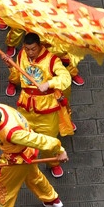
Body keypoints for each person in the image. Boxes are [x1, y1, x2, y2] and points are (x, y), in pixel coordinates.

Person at [10, 32, 73, 177]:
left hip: (47, 109)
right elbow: (18, 74)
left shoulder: (52, 60)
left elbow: (65, 77)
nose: (30, 52)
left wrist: (49, 83)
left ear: (40, 46)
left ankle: (53, 163)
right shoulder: (22, 55)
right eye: (27, 49)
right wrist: (10, 65)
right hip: (25, 107)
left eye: (33, 49)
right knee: (21, 137)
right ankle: (19, 163)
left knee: (50, 140)